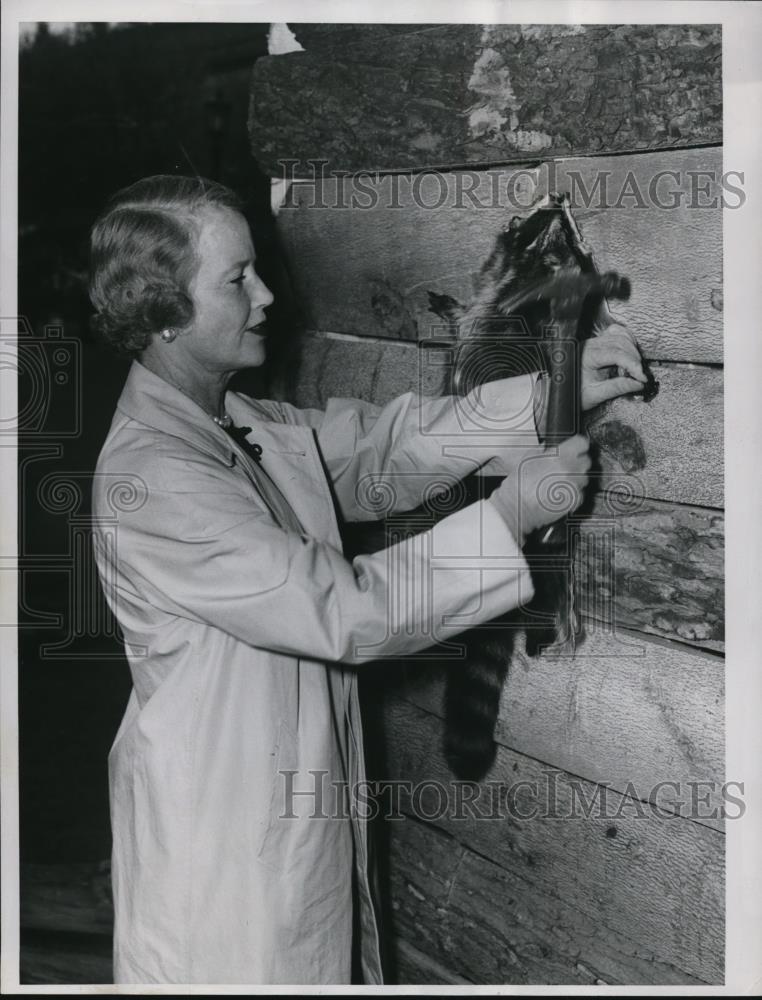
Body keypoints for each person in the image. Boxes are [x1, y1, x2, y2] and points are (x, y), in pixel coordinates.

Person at [89, 175, 647, 985]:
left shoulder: (238, 422)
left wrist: (548, 393)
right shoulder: (156, 475)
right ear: (166, 311)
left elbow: (384, 452)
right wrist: (511, 517)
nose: (268, 294)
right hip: (222, 852)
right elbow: (343, 608)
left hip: (282, 822)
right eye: (238, 279)